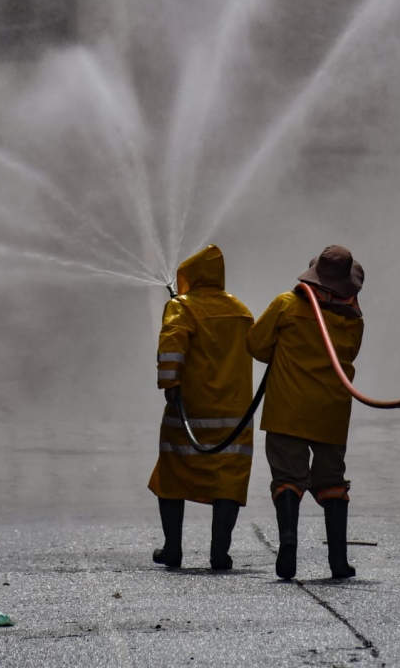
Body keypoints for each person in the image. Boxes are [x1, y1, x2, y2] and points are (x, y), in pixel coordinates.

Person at [248, 245, 365, 580]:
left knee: (288, 478)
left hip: (288, 408)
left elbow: (255, 344)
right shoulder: (354, 319)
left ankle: (288, 542)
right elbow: (350, 356)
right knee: (331, 482)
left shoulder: (286, 305)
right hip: (332, 410)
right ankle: (338, 561)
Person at [148, 245, 255, 571]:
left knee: (172, 475)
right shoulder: (241, 310)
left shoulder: (181, 307)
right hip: (235, 415)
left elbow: (171, 344)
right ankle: (219, 552)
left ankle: (173, 548)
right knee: (228, 478)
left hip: (190, 410)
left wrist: (169, 385)